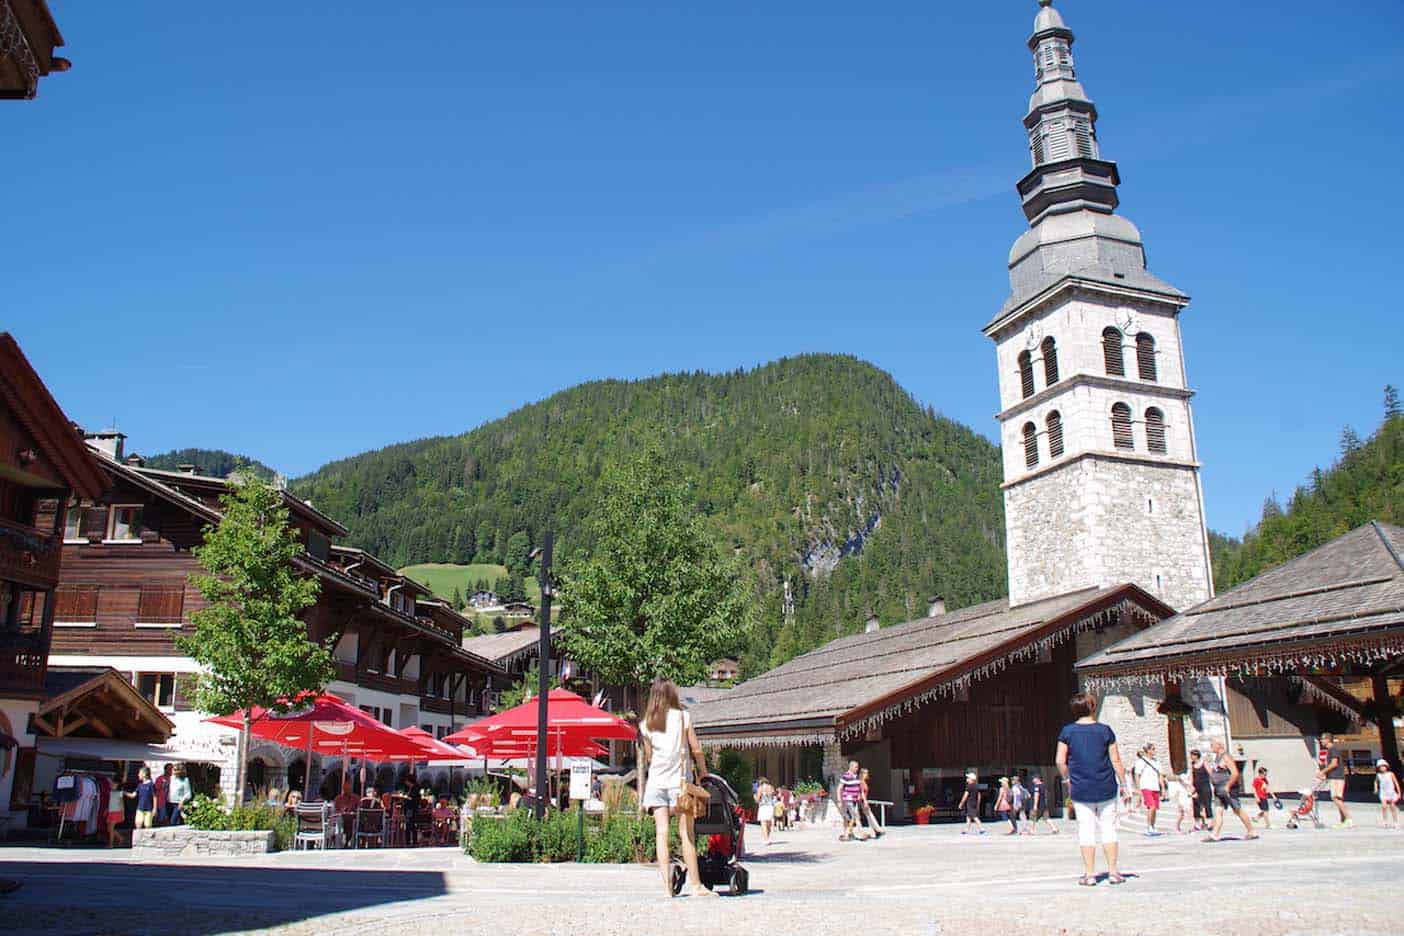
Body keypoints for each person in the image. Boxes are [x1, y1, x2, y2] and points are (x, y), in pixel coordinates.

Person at [639, 678, 714, 899]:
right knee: (686, 834)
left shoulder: (646, 724)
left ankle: (666, 888)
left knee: (661, 833)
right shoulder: (683, 717)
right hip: (679, 785)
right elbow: (696, 749)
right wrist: (703, 773)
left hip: (656, 783)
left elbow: (650, 756)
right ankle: (696, 885)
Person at [1055, 691, 1127, 886]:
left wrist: (1067, 779)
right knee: (1108, 829)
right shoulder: (1105, 731)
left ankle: (1089, 874)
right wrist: (1125, 784)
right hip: (1106, 785)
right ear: (1093, 707)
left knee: (1086, 830)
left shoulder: (1067, 732)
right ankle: (1113, 872)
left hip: (1080, 787)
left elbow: (1060, 761)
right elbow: (1116, 760)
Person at [1203, 739, 1257, 842]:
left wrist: (1228, 786)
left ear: (1219, 746)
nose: (1211, 747)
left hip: (1227, 789)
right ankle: (1215, 834)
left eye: (1212, 745)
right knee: (1218, 811)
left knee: (1237, 810)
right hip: (1218, 789)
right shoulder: (1217, 758)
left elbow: (1235, 773)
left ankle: (1251, 831)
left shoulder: (1226, 757)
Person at [1316, 733, 1353, 828]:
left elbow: (1334, 764)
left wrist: (1322, 772)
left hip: (1337, 777)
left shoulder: (1333, 750)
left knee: (1335, 797)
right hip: (1333, 776)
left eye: (1323, 739)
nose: (1321, 741)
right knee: (1338, 798)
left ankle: (1348, 819)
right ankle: (1343, 820)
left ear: (1328, 739)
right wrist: (1325, 774)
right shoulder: (1330, 751)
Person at [1132, 743, 1164, 837]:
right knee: (1151, 806)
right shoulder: (1141, 762)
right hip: (1146, 787)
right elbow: (1137, 775)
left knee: (1155, 808)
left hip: (1155, 787)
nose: (1155, 751)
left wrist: (1162, 788)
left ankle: (1153, 826)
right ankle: (1149, 826)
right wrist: (1138, 788)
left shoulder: (1157, 762)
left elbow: (1160, 775)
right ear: (1148, 750)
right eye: (1153, 749)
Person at [838, 761, 865, 841]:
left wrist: (860, 796)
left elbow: (859, 788)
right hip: (848, 800)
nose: (857, 768)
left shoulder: (857, 776)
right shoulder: (846, 776)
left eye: (857, 767)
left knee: (853, 817)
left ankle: (847, 834)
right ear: (851, 767)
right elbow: (840, 788)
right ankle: (861, 834)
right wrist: (840, 800)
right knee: (855, 816)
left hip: (855, 800)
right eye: (856, 767)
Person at [1189, 750, 1214, 832]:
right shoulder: (1192, 765)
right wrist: (1191, 786)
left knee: (1207, 804)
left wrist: (1213, 783)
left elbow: (1211, 773)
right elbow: (1192, 776)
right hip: (1197, 787)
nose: (1191, 757)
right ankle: (1197, 824)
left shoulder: (1204, 763)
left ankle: (1210, 823)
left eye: (1193, 755)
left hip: (1205, 786)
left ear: (1196, 755)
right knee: (1196, 805)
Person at [1374, 759, 1400, 829]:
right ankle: (1385, 821)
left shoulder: (1391, 774)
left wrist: (1399, 793)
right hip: (1383, 792)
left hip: (1391, 792)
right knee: (1384, 806)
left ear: (1387, 767)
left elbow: (1396, 783)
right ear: (1378, 768)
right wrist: (1376, 788)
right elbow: (1376, 782)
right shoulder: (1378, 775)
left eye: (1384, 766)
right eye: (1380, 767)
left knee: (1392, 807)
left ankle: (1395, 822)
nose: (1382, 768)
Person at [858, 768, 884, 839]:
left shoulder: (863, 782)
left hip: (863, 800)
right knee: (869, 815)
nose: (867, 775)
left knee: (869, 816)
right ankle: (878, 829)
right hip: (863, 801)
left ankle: (875, 831)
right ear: (862, 774)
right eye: (866, 773)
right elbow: (862, 792)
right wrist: (865, 801)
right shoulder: (861, 782)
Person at [755, 777, 776, 845]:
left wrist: (755, 797)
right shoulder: (771, 787)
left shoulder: (760, 788)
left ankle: (766, 839)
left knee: (763, 823)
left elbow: (757, 799)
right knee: (769, 822)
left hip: (763, 806)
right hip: (770, 806)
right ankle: (768, 837)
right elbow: (773, 797)